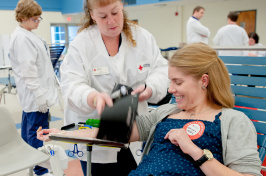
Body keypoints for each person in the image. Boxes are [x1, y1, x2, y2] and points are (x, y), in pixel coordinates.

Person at [38, 43, 262, 176]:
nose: (170, 89)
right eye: (170, 81)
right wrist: (61, 134)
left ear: (204, 81)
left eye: (178, 82)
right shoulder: (166, 112)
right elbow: (114, 133)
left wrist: (194, 150)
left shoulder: (233, 120)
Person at [59, 0, 168, 175]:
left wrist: (150, 88)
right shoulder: (81, 44)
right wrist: (93, 97)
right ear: (92, 15)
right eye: (103, 16)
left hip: (134, 129)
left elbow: (161, 70)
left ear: (122, 6)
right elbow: (71, 84)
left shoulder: (142, 38)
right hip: (96, 130)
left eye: (115, 13)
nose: (111, 21)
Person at [9, 0, 58, 176]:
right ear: (23, 18)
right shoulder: (22, 39)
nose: (38, 22)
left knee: (30, 132)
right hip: (35, 96)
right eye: (34, 19)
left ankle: (35, 166)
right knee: (37, 133)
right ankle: (40, 169)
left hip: (35, 95)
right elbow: (29, 72)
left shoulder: (27, 35)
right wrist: (39, 96)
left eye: (39, 19)